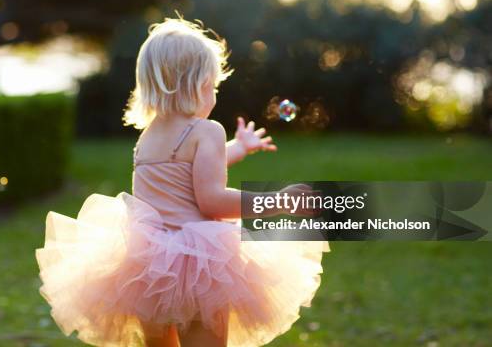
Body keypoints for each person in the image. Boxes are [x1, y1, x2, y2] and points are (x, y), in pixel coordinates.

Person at [35, 18, 329, 347]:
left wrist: (237, 148)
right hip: (203, 265)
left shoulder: (148, 136)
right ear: (196, 84)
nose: (215, 95)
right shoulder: (208, 130)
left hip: (148, 269)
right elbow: (211, 200)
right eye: (213, 86)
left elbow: (183, 174)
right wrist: (277, 202)